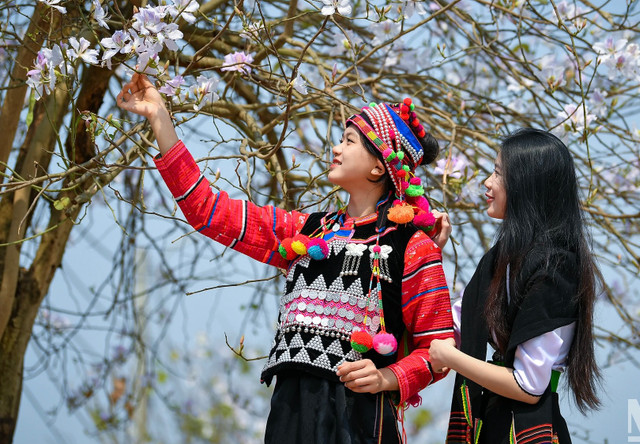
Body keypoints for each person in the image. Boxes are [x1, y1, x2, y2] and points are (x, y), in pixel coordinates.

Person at [116, 73, 454, 444]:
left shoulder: (412, 246)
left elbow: (439, 350)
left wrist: (387, 377)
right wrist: (160, 117)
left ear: (379, 166)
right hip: (289, 415)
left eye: (349, 141)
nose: (336, 148)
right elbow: (207, 211)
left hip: (359, 421)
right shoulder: (306, 231)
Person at [428, 128, 603, 444]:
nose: (487, 182)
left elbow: (528, 386)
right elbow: (449, 326)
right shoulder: (502, 258)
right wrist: (428, 255)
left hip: (528, 430)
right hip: (494, 421)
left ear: (526, 185)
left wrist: (450, 358)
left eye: (498, 173)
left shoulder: (556, 266)